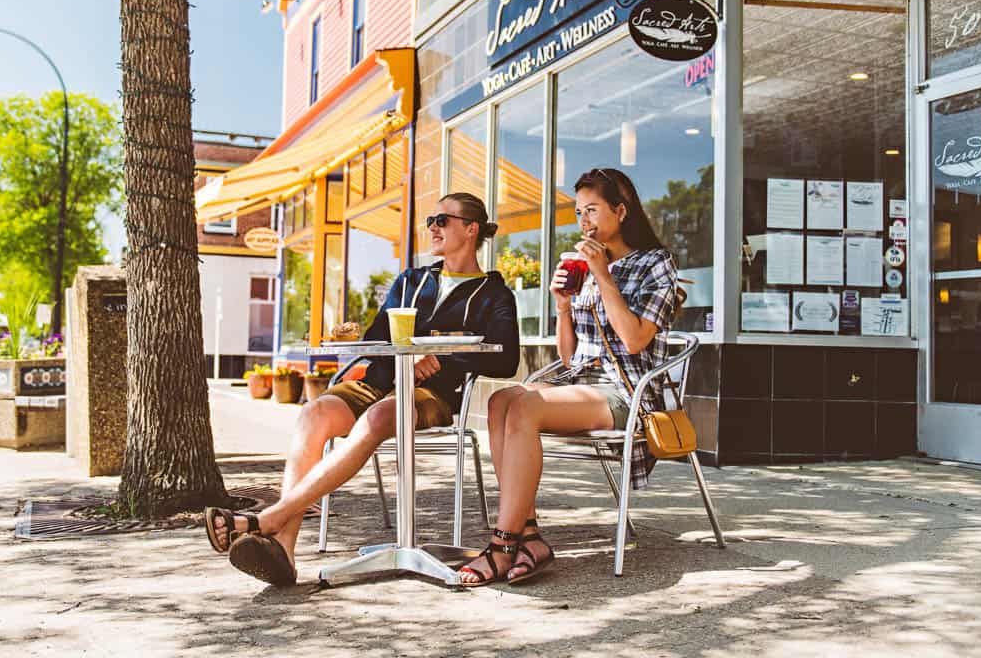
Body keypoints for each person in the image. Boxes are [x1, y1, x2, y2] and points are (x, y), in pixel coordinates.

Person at [203, 192, 520, 587]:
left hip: (434, 396)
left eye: (443, 220)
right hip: (380, 383)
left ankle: (267, 519)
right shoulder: (410, 282)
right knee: (313, 413)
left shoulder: (493, 294)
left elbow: (506, 359)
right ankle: (283, 546)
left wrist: (442, 360)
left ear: (471, 229)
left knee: (377, 417)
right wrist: (400, 359)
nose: (433, 227)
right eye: (430, 221)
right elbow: (375, 340)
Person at [458, 167, 679, 586]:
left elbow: (633, 341)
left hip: (626, 393)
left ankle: (504, 543)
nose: (584, 222)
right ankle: (532, 536)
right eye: (579, 213)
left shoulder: (656, 264)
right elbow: (570, 357)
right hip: (583, 383)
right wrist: (562, 306)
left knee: (524, 406)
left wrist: (602, 277)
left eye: (592, 210)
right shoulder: (591, 267)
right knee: (499, 400)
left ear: (621, 210)